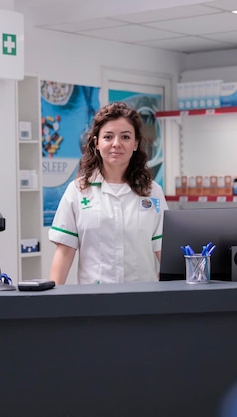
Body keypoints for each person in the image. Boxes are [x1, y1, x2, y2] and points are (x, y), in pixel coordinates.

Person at [48, 101, 168, 285]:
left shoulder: (152, 192)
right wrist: (51, 303)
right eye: (108, 137)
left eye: (126, 137)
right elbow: (64, 251)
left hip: (143, 300)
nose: (116, 144)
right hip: (94, 302)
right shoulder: (78, 190)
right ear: (96, 142)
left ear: (135, 143)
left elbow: (163, 252)